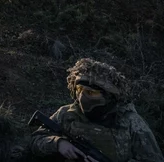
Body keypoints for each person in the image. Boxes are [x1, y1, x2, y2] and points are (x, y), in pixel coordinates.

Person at [30, 58, 162, 162]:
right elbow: (34, 141)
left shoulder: (130, 122)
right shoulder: (67, 114)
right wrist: (58, 143)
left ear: (108, 97)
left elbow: (153, 159)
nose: (82, 96)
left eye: (91, 92)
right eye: (79, 90)